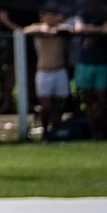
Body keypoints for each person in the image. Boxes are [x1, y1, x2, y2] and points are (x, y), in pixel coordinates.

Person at [24, 8, 75, 140]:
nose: (51, 19)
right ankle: (45, 129)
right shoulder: (38, 29)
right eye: (48, 16)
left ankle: (55, 130)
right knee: (45, 105)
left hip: (59, 70)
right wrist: (45, 30)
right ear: (43, 17)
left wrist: (56, 30)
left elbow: (70, 29)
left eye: (54, 15)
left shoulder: (62, 30)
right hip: (43, 72)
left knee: (58, 105)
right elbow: (26, 30)